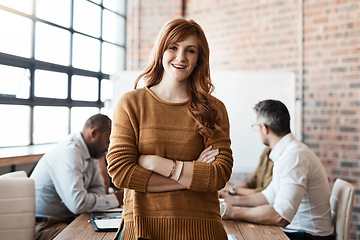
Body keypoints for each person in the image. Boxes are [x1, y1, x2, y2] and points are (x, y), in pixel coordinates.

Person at [106, 18, 233, 240]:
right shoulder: (131, 104)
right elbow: (120, 172)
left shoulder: (213, 109)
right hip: (144, 230)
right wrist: (191, 175)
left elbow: (218, 174)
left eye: (190, 50)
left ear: (199, 59)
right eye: (173, 47)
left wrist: (157, 164)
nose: (181, 57)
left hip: (202, 231)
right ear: (161, 50)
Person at [219, 100, 334, 240]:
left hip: (307, 235)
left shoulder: (294, 157)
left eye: (256, 127)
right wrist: (232, 201)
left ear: (264, 128)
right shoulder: (288, 152)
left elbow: (281, 216)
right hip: (297, 231)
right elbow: (268, 196)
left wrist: (233, 213)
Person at [30, 113, 124, 240]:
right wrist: (116, 198)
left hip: (70, 218)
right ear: (94, 133)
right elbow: (78, 204)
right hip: (45, 223)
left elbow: (98, 188)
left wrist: (87, 199)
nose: (108, 148)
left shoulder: (92, 153)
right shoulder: (69, 153)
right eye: (107, 142)